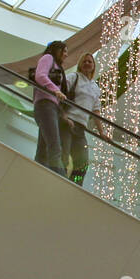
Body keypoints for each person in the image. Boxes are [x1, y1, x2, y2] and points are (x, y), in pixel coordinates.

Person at [60, 52, 99, 185]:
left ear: (94, 66)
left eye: (90, 62)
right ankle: (59, 182)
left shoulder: (95, 87)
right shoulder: (73, 77)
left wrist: (102, 132)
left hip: (81, 128)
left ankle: (75, 186)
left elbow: (96, 111)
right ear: (80, 65)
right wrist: (63, 116)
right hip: (67, 123)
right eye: (85, 61)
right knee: (63, 157)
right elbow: (60, 94)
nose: (87, 63)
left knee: (82, 163)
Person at [31, 40, 69, 175]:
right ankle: (61, 180)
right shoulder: (48, 58)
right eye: (64, 51)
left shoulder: (58, 67)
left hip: (50, 107)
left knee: (43, 149)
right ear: (56, 50)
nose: (66, 55)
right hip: (45, 106)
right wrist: (56, 91)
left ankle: (37, 176)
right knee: (55, 147)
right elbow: (40, 76)